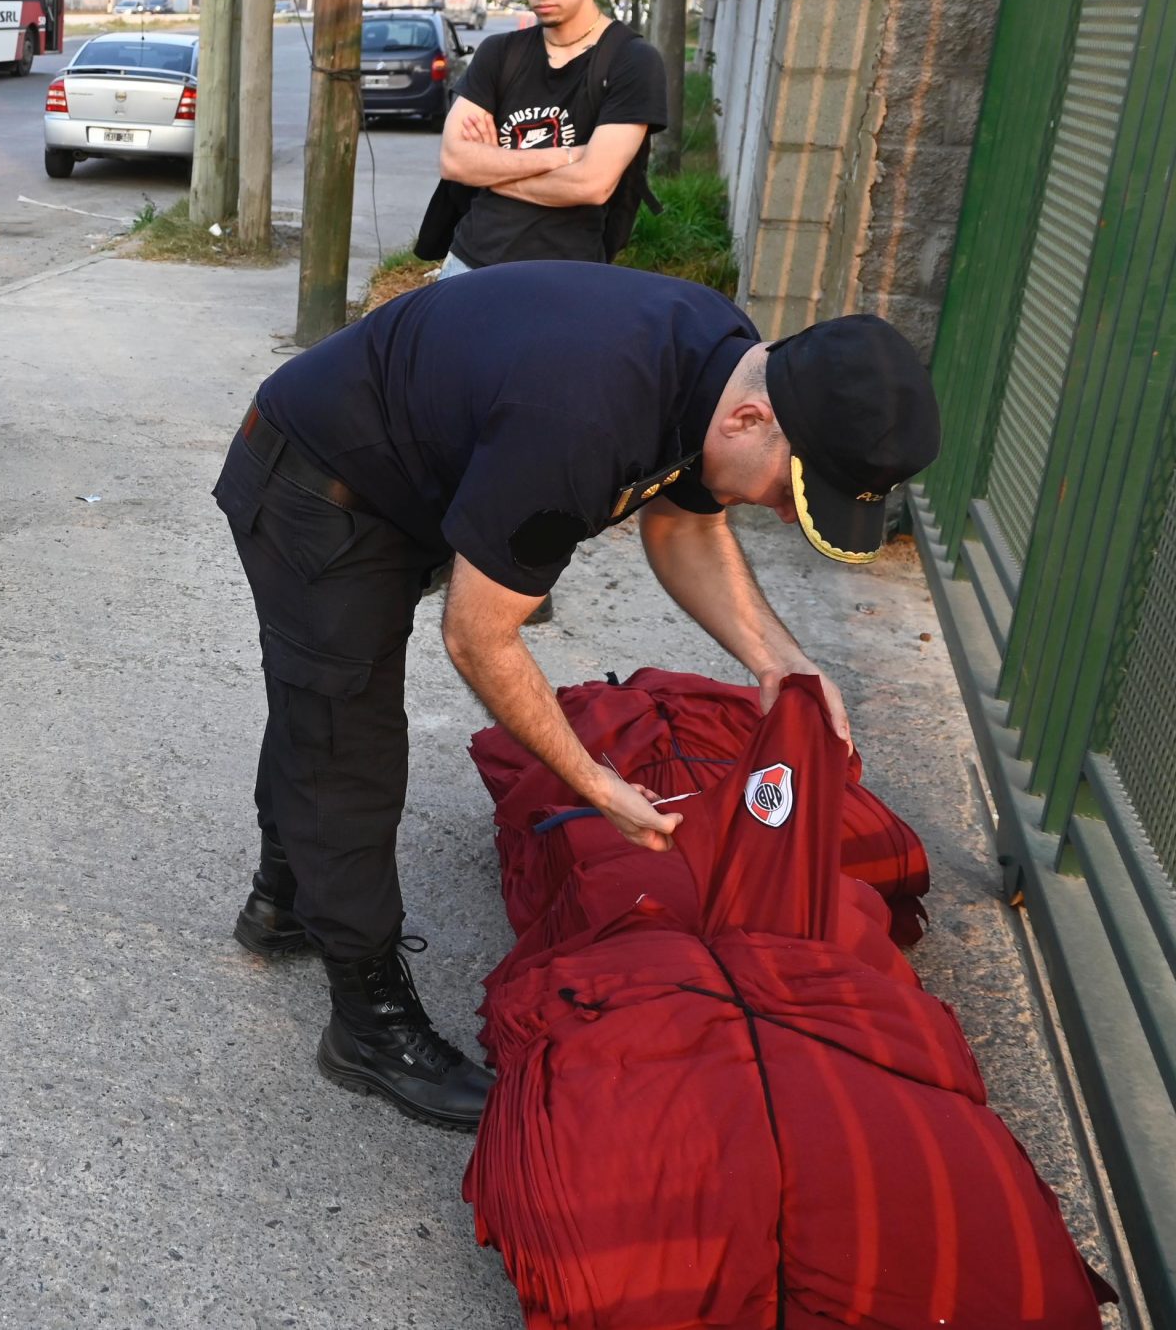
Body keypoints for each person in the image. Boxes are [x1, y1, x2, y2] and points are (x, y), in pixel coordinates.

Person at [217, 262, 939, 1131]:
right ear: (751, 419)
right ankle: (366, 1025)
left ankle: (285, 900)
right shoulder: (579, 421)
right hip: (315, 482)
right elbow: (479, 636)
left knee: (323, 699)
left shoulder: (721, 357)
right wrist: (593, 782)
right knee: (348, 735)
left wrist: (781, 662)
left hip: (406, 474)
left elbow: (685, 520)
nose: (785, 514)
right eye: (793, 490)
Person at [429, 0, 666, 276]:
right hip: (469, 263)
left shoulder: (631, 60)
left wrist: (492, 167)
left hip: (566, 275)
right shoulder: (499, 52)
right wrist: (568, 155)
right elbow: (455, 162)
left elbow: (592, 185)